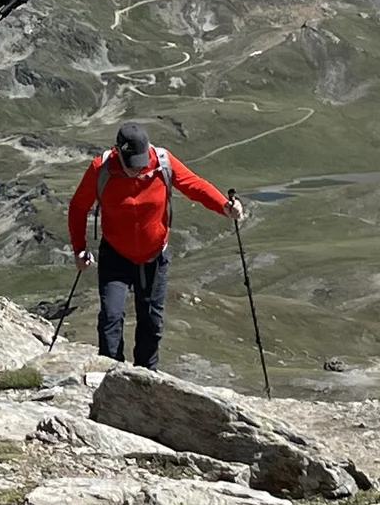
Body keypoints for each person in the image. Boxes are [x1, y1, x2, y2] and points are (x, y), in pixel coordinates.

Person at [67, 121, 246, 369]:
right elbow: (78, 207)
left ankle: (146, 376)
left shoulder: (162, 162)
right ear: (117, 151)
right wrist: (78, 249)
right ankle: (110, 372)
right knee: (111, 316)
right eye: (131, 164)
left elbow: (194, 185)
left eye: (140, 162)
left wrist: (224, 206)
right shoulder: (101, 168)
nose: (135, 170)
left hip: (154, 257)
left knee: (151, 321)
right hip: (115, 255)